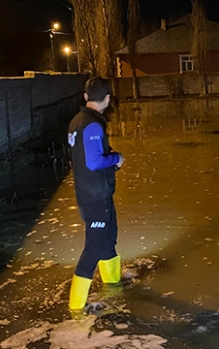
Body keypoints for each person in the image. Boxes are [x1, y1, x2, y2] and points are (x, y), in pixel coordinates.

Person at [67, 77, 125, 311]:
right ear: (108, 99)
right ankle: (76, 307)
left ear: (86, 96)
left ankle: (113, 285)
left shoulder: (76, 121)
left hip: (95, 192)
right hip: (94, 196)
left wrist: (109, 158)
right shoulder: (91, 124)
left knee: (109, 237)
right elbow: (93, 161)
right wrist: (116, 158)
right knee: (94, 247)